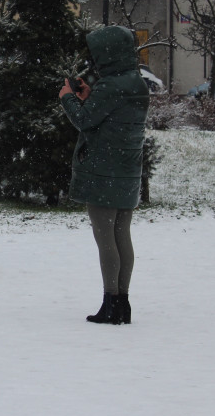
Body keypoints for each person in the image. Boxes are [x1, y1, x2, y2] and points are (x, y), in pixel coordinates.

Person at [59, 26, 149, 325]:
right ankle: (122, 303)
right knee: (122, 235)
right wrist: (89, 95)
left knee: (105, 238)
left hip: (103, 171)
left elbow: (85, 121)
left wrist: (68, 98)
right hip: (127, 170)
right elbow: (109, 117)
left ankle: (110, 303)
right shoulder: (136, 82)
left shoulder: (111, 86)